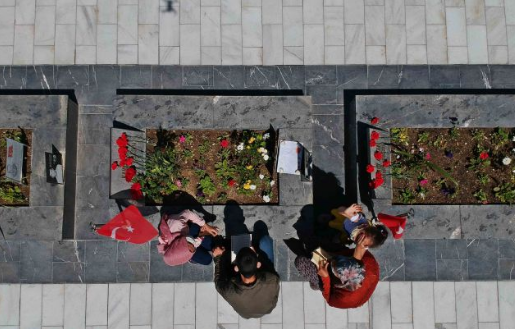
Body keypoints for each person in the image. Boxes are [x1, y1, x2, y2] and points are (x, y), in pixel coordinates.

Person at [212, 223, 280, 319]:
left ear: (236, 268)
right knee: (265, 241)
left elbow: (219, 283)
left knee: (241, 235)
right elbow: (269, 266)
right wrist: (258, 254)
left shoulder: (230, 292)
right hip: (265, 309)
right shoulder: (272, 279)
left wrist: (218, 258)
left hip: (247, 313)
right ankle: (258, 236)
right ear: (258, 264)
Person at [294, 242, 380, 309]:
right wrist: (330, 255)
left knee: (301, 262)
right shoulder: (368, 259)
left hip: (334, 286)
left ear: (340, 284)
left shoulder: (342, 300)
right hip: (347, 265)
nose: (329, 262)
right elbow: (348, 252)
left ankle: (316, 284)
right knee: (315, 245)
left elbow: (329, 299)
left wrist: (325, 278)